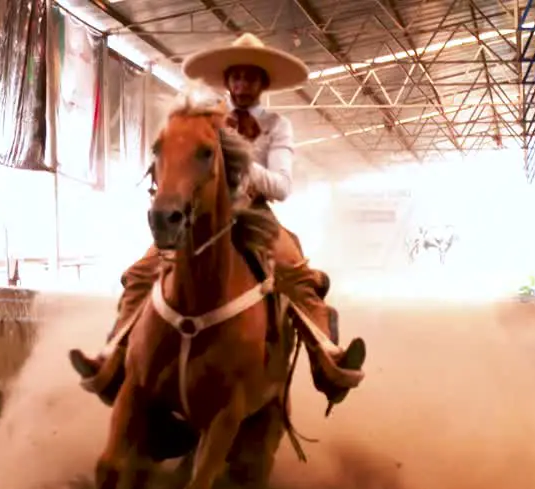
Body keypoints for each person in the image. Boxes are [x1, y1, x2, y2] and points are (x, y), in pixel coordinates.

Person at [68, 33, 366, 411]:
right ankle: (111, 356)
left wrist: (239, 167)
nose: (242, 85)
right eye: (236, 77)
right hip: (201, 215)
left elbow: (283, 186)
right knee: (141, 272)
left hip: (256, 215)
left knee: (295, 273)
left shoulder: (277, 126)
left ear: (263, 82)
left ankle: (329, 358)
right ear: (227, 80)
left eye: (250, 78)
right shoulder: (207, 121)